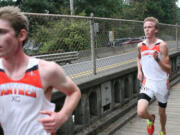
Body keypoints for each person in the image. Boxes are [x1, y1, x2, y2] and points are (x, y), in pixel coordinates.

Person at [0, 6, 81, 135]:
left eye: (2, 32)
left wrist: (62, 116)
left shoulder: (46, 70)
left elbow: (74, 91)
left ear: (21, 35)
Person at [137, 17, 171, 135]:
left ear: (156, 30)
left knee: (162, 112)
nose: (147, 30)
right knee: (141, 112)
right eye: (145, 27)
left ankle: (162, 130)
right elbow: (139, 58)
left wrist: (157, 60)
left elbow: (168, 68)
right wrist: (139, 71)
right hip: (148, 82)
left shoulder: (162, 45)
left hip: (162, 83)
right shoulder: (140, 46)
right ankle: (151, 119)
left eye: (150, 27)